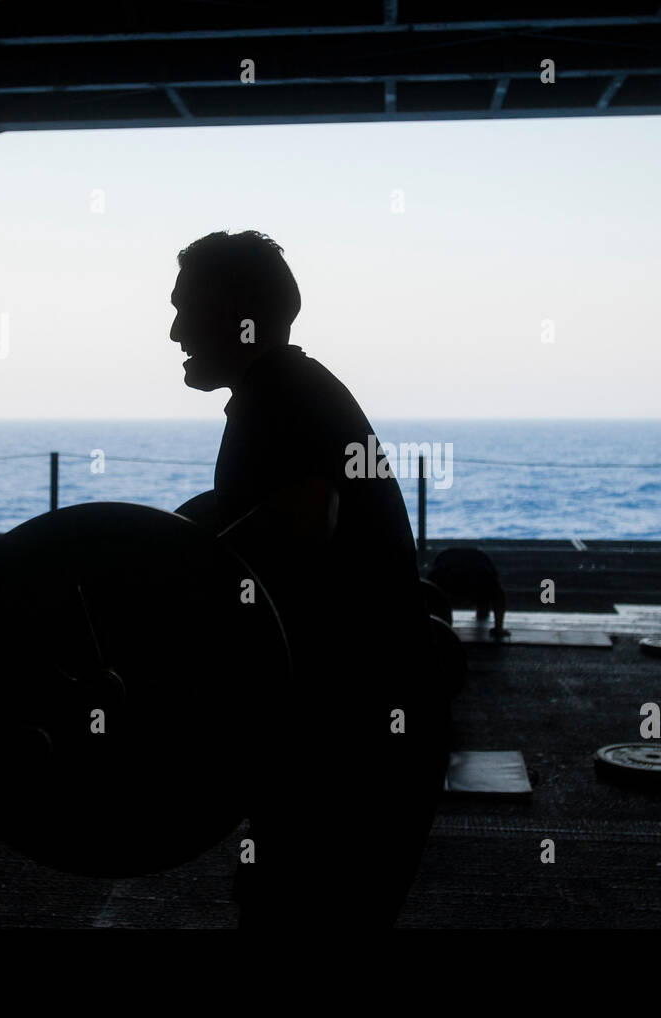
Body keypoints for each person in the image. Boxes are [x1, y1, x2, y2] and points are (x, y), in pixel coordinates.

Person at [169, 230, 449, 928]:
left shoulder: (278, 399)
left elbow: (302, 519)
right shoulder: (292, 389)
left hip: (348, 737)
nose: (174, 330)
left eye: (185, 310)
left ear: (238, 315)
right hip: (363, 717)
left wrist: (170, 588)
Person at [428, 547, 509, 637]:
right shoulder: (485, 579)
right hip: (477, 579)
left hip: (447, 579)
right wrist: (498, 628)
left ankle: (483, 613)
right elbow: (498, 594)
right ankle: (484, 613)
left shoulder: (440, 576)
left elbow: (428, 588)